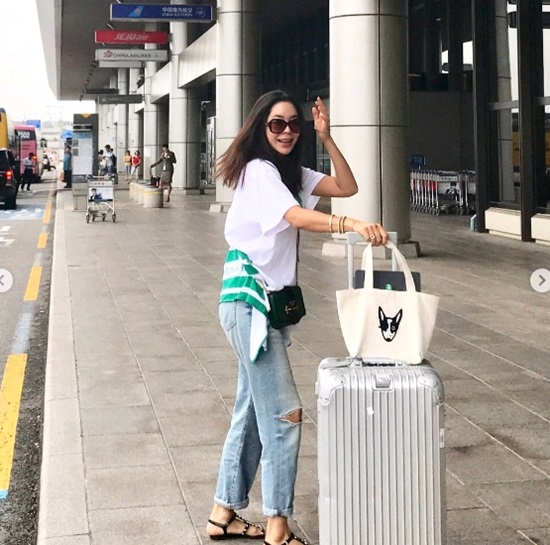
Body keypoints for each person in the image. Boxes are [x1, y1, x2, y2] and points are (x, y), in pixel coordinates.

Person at [206, 90, 388, 545]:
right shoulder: (259, 171)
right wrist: (351, 225)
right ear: (260, 128)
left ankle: (222, 514)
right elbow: (296, 217)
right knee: (285, 415)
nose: (286, 132)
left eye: (293, 124)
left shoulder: (292, 174)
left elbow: (346, 187)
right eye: (276, 124)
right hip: (250, 303)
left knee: (252, 412)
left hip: (260, 306)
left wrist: (327, 138)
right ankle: (277, 525)